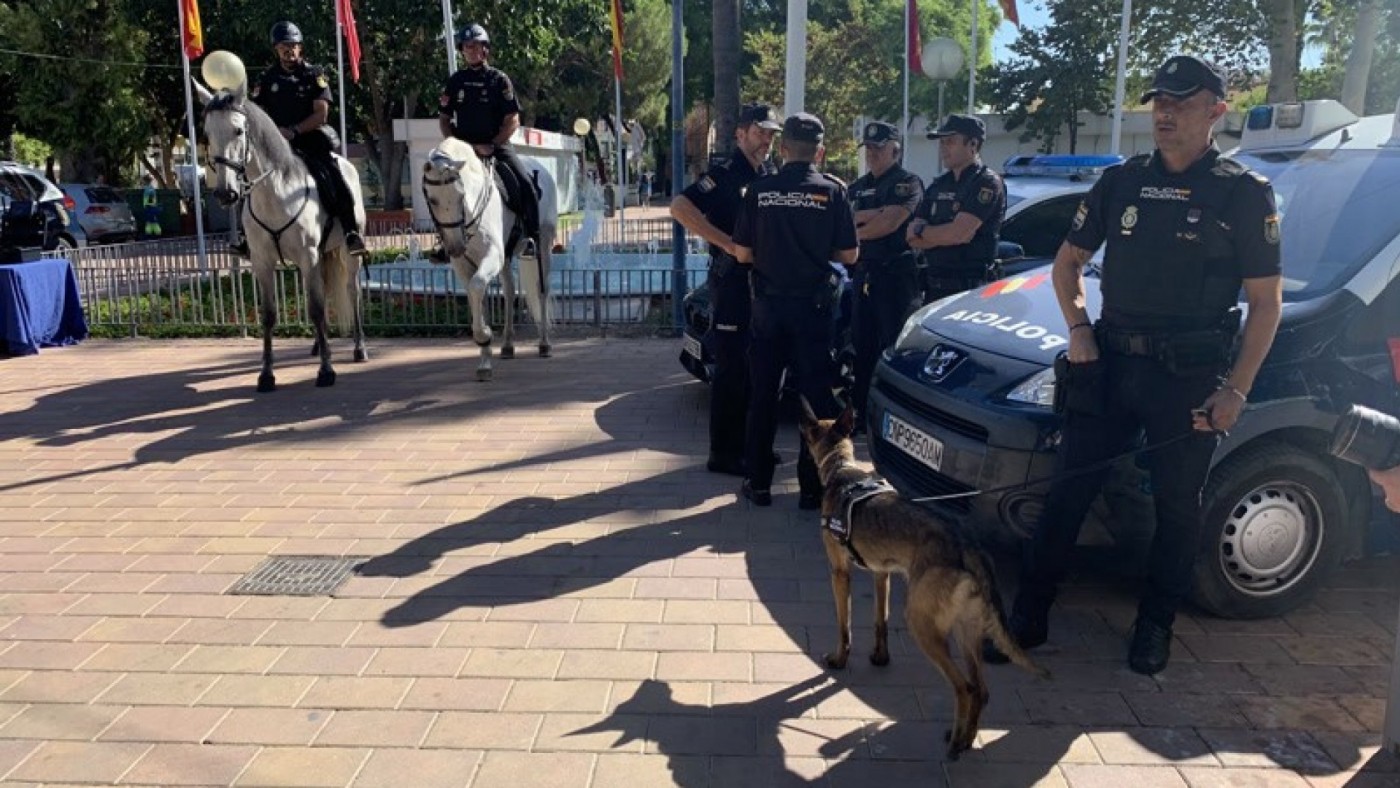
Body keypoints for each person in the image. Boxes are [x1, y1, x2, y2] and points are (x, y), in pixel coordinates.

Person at [990, 55, 1284, 675]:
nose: (1166, 112)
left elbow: (1265, 304)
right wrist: (1078, 329)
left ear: (1216, 110)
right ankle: (1029, 615)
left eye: (1182, 101)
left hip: (1188, 377)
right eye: (1160, 101)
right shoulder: (1119, 183)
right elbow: (1067, 264)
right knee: (1068, 489)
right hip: (1111, 361)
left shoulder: (1242, 193)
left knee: (1177, 507)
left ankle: (1155, 626)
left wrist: (1237, 388)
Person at [732, 113, 860, 508]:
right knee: (814, 399)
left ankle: (758, 484)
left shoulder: (758, 190)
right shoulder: (833, 193)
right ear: (819, 151)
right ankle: (810, 490)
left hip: (768, 309)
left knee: (764, 396)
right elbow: (850, 254)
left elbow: (742, 253)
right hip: (814, 311)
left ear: (784, 148)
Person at [670, 103, 780, 477]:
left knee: (753, 370)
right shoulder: (725, 174)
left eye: (771, 134)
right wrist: (727, 243)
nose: (766, 139)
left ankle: (750, 446)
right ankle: (724, 453)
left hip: (760, 285)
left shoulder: (767, 173)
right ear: (741, 133)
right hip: (732, 281)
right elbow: (681, 207)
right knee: (731, 370)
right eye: (760, 132)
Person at [245, 20, 365, 256]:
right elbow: (256, 114)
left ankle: (351, 232)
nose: (289, 51)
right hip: (276, 146)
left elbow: (321, 113)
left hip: (309, 140)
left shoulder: (314, 74)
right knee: (249, 180)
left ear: (300, 47)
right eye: (283, 46)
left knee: (334, 175)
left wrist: (295, 131)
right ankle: (244, 237)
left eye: (293, 45)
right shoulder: (267, 79)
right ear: (276, 49)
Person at [437, 23, 541, 262]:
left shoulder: (499, 80)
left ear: (485, 49)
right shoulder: (455, 82)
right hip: (465, 150)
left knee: (525, 185)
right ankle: (444, 242)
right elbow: (444, 120)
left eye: (476, 46)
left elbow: (513, 120)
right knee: (441, 189)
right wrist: (457, 145)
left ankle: (531, 238)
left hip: (496, 147)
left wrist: (493, 144)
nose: (471, 51)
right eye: (466, 47)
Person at [848, 121, 923, 428]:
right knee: (861, 349)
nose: (873, 154)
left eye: (879, 148)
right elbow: (842, 224)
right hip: (864, 275)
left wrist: (861, 220)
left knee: (891, 350)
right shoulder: (857, 186)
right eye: (869, 148)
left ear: (895, 149)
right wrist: (870, 216)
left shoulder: (907, 183)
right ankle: (860, 418)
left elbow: (890, 224)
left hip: (896, 279)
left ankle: (890, 420)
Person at [906, 114, 1006, 304]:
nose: (943, 148)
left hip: (970, 293)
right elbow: (911, 237)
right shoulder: (939, 184)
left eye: (950, 142)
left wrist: (925, 232)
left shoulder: (986, 182)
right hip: (934, 289)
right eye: (942, 142)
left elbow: (959, 234)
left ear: (973, 145)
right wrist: (940, 234)